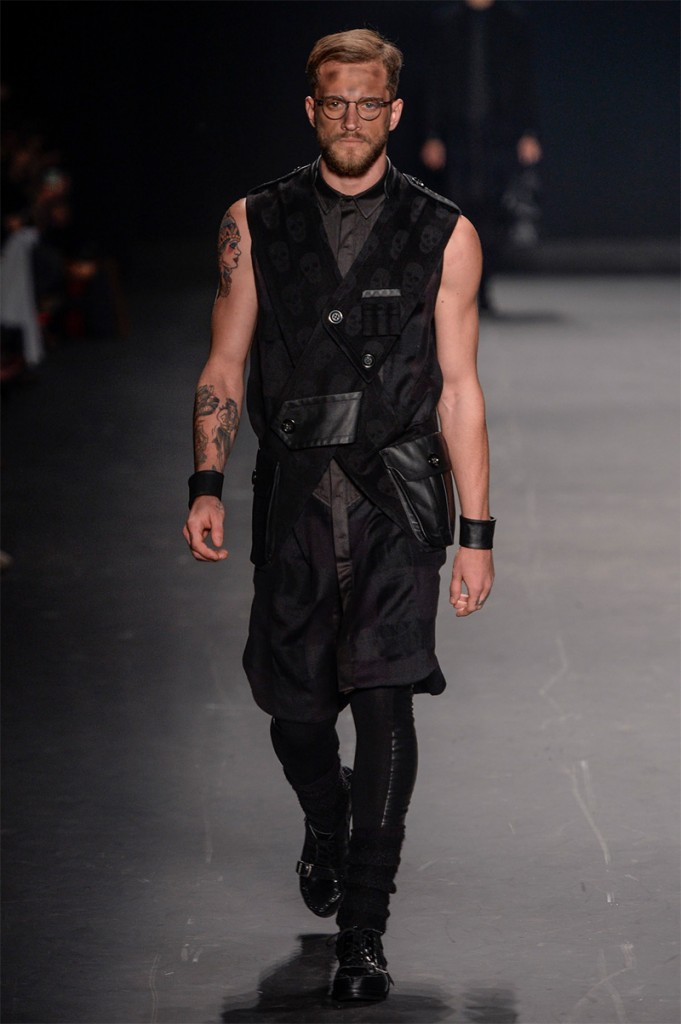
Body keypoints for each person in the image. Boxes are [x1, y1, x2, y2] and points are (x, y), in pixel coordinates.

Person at [183, 28, 495, 1003]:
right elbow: (225, 359)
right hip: (293, 501)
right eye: (335, 103)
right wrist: (204, 481)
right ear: (311, 109)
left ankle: (364, 930)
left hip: (398, 495)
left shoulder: (444, 231)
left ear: (394, 112)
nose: (352, 120)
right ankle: (326, 819)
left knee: (387, 702)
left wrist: (477, 535)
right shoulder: (255, 222)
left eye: (369, 103)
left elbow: (458, 388)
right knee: (295, 714)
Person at [420, 0, 542, 312]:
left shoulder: (512, 22)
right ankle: (463, 288)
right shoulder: (446, 23)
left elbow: (525, 79)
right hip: (457, 135)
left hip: (501, 134)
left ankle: (483, 286)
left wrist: (529, 131)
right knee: (458, 212)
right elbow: (434, 80)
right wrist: (432, 134)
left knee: (495, 213)